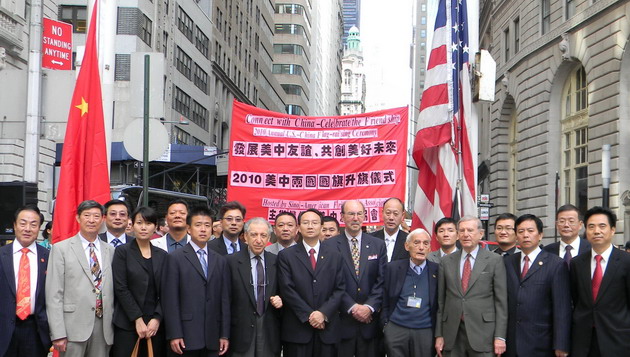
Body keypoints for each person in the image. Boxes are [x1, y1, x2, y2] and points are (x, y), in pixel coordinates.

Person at [46, 200, 115, 357]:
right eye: (87, 215)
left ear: (102, 219)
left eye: (96, 216)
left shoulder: (110, 250)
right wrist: (58, 333)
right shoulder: (61, 249)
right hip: (72, 328)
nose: (91, 220)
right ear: (78, 218)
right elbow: (53, 294)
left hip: (103, 327)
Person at [435, 215, 507, 357]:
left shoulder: (494, 260)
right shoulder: (446, 261)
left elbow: (501, 302)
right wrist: (439, 335)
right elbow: (441, 301)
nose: (465, 234)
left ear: (481, 233)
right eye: (461, 230)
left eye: (470, 230)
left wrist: (500, 336)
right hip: (452, 333)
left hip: (483, 333)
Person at [162, 206, 230, 356]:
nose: (203, 229)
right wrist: (174, 333)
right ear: (188, 229)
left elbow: (224, 300)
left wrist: (224, 334)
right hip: (185, 336)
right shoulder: (175, 258)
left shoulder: (220, 260)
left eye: (207, 225)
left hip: (213, 335)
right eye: (198, 225)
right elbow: (170, 300)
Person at [277, 208, 346, 356]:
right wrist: (310, 315)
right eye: (305, 223)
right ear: (298, 228)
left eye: (314, 223)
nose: (310, 226)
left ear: (321, 227)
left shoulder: (335, 256)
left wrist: (323, 313)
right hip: (297, 329)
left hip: (327, 328)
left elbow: (340, 289)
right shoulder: (286, 256)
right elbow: (287, 289)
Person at [504, 214, 571, 357]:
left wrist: (561, 344)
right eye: (521, 232)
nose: (525, 235)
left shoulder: (556, 264)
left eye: (530, 231)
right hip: (511, 342)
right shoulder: (508, 262)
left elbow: (562, 307)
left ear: (540, 235)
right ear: (516, 236)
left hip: (541, 342)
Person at [329, 200, 387, 357]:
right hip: (342, 321)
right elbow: (330, 282)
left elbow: (381, 280)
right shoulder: (330, 245)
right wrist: (353, 307)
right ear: (342, 217)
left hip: (370, 323)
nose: (355, 218)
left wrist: (368, 307)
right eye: (351, 214)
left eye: (359, 214)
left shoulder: (378, 245)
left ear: (364, 216)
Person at [570, 206, 630, 356]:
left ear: (612, 230)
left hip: (617, 338)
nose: (596, 231)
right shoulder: (577, 263)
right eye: (591, 226)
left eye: (602, 226)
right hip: (583, 340)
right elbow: (576, 298)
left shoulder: (626, 261)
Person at [112, 207, 168, 357]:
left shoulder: (163, 256)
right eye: (139, 223)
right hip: (127, 323)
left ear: (155, 227)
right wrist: (137, 319)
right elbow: (121, 287)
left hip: (155, 326)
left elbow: (166, 291)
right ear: (132, 225)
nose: (143, 227)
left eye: (148, 223)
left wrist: (157, 318)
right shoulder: (122, 252)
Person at [227, 217, 283, 357]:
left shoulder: (276, 261)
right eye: (254, 234)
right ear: (245, 236)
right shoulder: (231, 262)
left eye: (263, 235)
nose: (259, 240)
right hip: (240, 330)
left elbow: (285, 291)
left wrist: (280, 299)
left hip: (269, 329)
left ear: (269, 237)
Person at [0, 205, 52, 356]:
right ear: (15, 226)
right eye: (23, 223)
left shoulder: (49, 257)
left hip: (35, 330)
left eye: (33, 224)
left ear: (39, 228)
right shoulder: (2, 255)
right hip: (3, 329)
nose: (27, 228)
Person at [381, 228, 438, 357]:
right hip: (397, 328)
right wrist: (386, 325)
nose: (421, 247)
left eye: (426, 243)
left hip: (425, 330)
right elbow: (384, 297)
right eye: (416, 243)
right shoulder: (393, 268)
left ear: (430, 248)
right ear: (407, 246)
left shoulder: (437, 271)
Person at [372, 198, 408, 262]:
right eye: (388, 213)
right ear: (382, 213)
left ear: (402, 216)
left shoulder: (408, 241)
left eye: (395, 214)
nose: (391, 218)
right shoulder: (371, 239)